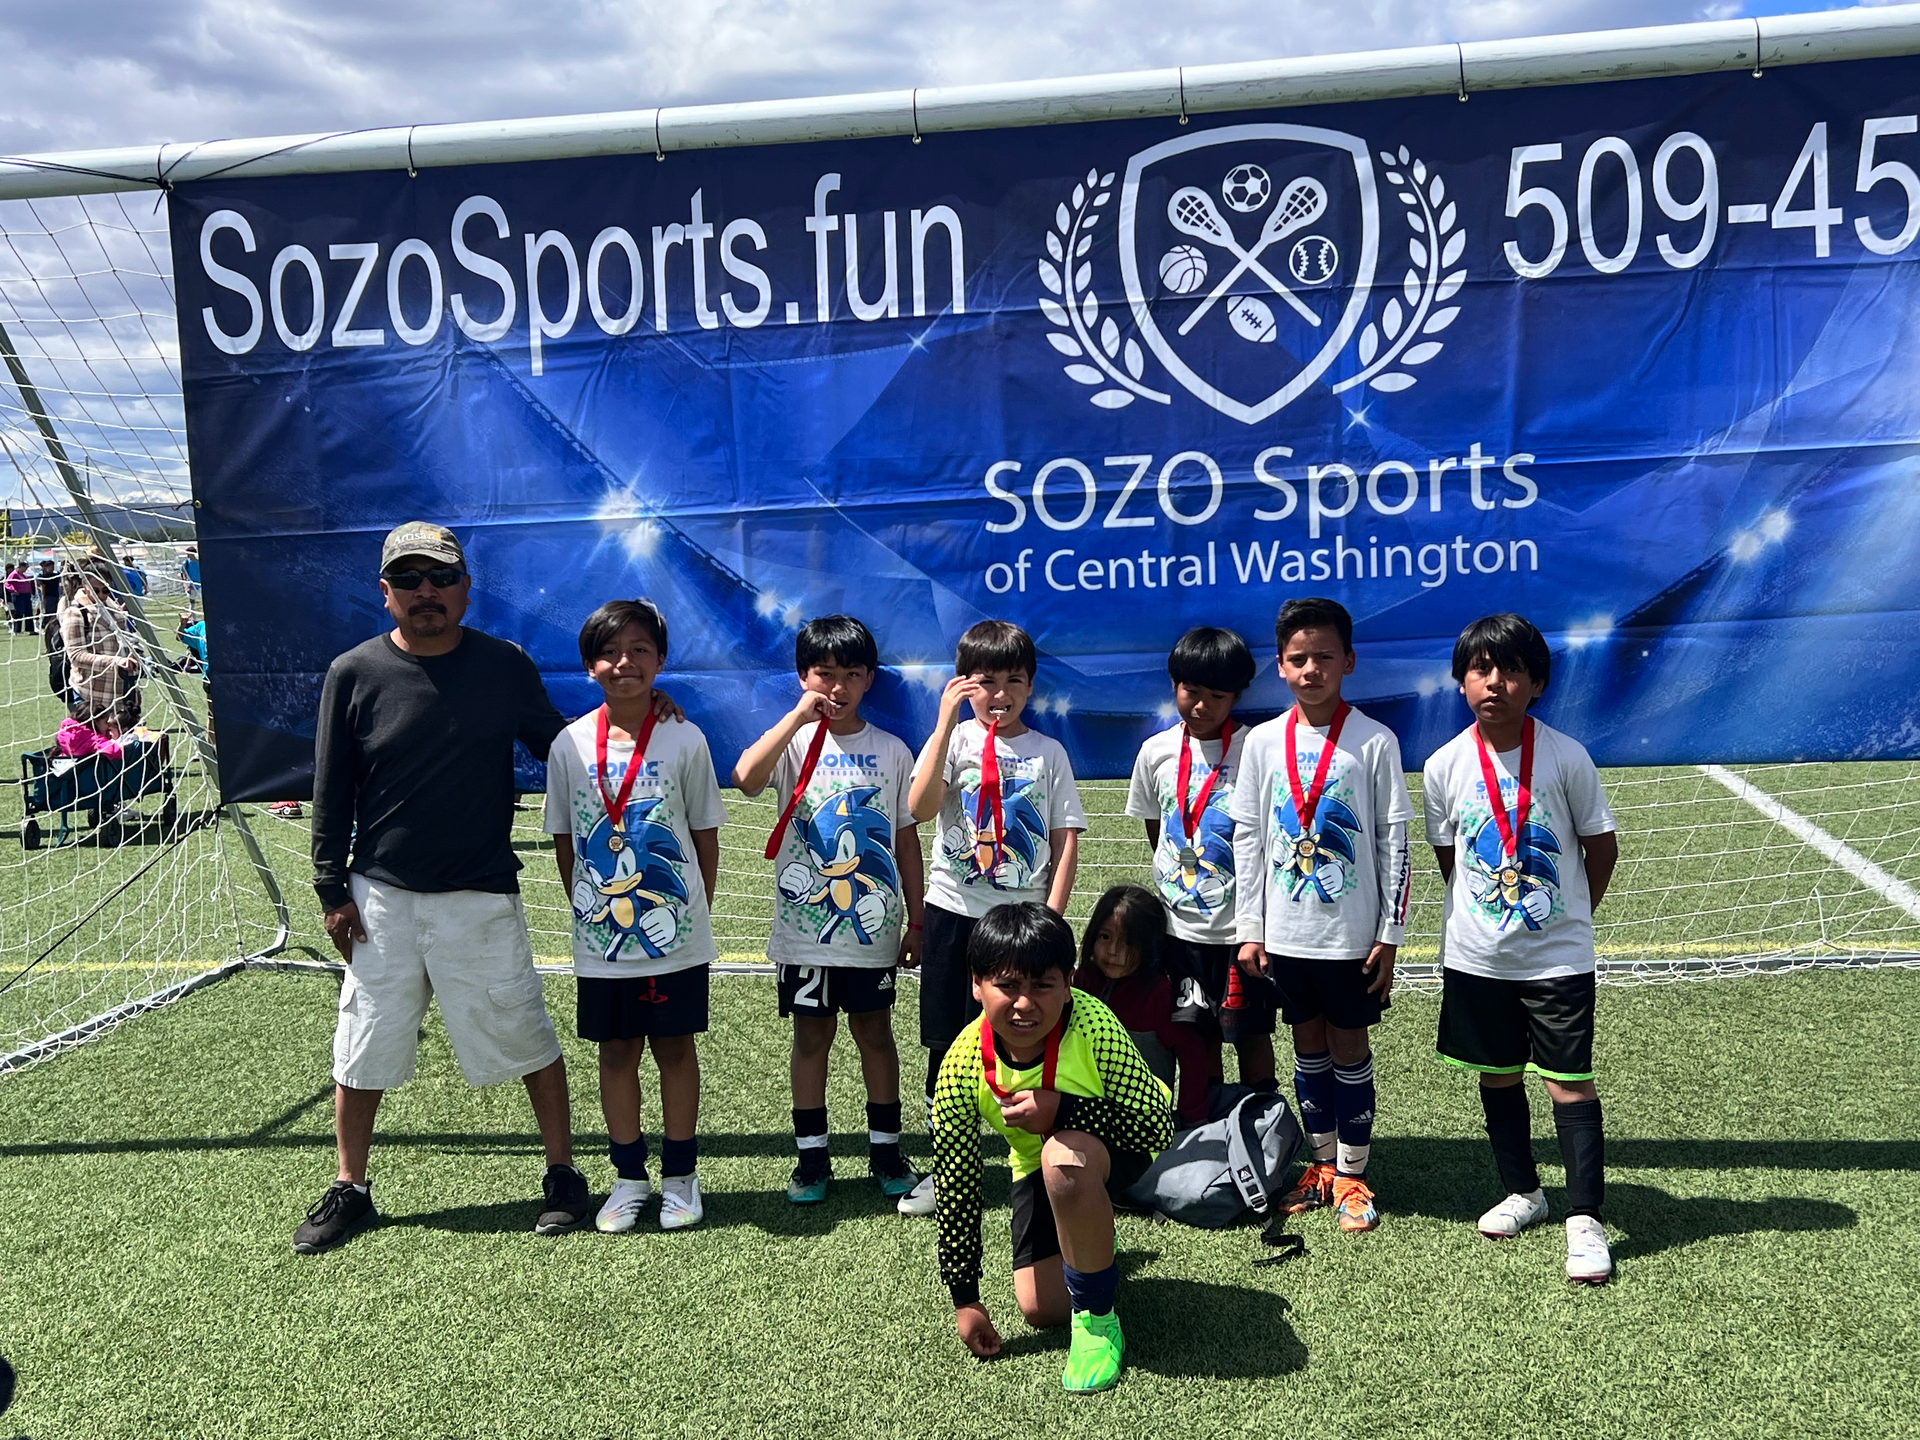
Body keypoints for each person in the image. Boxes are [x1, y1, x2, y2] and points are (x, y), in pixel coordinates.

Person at [297, 522, 592, 1254]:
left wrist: (641, 723)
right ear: (385, 593)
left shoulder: (503, 665)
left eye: (439, 578)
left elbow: (562, 749)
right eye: (409, 580)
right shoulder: (353, 673)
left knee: (526, 1033)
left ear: (465, 589)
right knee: (361, 1044)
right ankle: (350, 1186)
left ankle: (562, 1174)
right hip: (382, 899)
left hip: (482, 893)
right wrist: (331, 887)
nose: (425, 593)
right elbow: (332, 788)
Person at [1422, 613, 1620, 1284]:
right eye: (1480, 669)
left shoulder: (1566, 757)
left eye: (1510, 670)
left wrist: (1569, 919)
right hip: (1478, 958)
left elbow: (1601, 847)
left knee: (1569, 1085)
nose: (1495, 682)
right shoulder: (1446, 765)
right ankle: (1523, 1192)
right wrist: (1487, 922)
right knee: (1498, 1076)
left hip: (1558, 959)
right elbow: (1451, 856)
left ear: (1536, 682)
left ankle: (1585, 1218)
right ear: (1460, 682)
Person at [932, 902, 1172, 1394]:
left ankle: (1099, 1324)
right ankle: (1092, 1236)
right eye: (1007, 985)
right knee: (1040, 1311)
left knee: (1062, 1158)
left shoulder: (1094, 1026)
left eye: (1042, 985)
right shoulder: (960, 1064)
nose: (1024, 1004)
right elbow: (956, 1183)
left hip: (1114, 1147)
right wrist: (966, 1298)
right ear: (976, 984)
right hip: (1035, 1166)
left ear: (1068, 985)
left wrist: (1062, 1111)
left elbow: (1156, 1128)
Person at [1230, 598, 1413, 1235]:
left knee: (1348, 1046)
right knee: (1306, 1046)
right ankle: (1322, 1166)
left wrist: (1389, 933)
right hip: (1285, 935)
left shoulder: (1374, 741)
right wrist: (1249, 929)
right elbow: (1248, 839)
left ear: (1349, 662)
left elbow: (1395, 841)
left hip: (1353, 936)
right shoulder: (1260, 742)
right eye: (1299, 659)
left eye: (1324, 657)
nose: (1312, 670)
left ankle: (1356, 1174)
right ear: (1279, 666)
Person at [732, 614, 927, 1208]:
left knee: (875, 1034)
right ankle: (812, 1160)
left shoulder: (891, 750)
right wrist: (797, 716)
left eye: (850, 675)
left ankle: (887, 1153)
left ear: (870, 680)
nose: (836, 688)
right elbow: (744, 778)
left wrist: (914, 919)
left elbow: (906, 838)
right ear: (802, 676)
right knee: (811, 1040)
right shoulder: (791, 742)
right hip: (805, 935)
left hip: (873, 933)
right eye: (824, 675)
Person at [545, 598, 724, 1233]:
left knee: (675, 1048)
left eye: (640, 650)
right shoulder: (568, 743)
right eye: (610, 652)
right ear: (590, 665)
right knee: (616, 1052)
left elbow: (705, 838)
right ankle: (628, 1178)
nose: (625, 663)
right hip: (602, 944)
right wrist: (593, 916)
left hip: (675, 939)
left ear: (661, 660)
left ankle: (681, 1177)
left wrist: (687, 914)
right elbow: (566, 841)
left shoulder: (685, 736)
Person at [907, 620, 1086, 1194]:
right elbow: (918, 805)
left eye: (1014, 681)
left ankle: (1030, 1158)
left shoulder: (1048, 752)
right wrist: (942, 724)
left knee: (1024, 1038)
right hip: (952, 910)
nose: (999, 695)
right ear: (963, 685)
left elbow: (1065, 844)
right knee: (945, 1043)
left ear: (1031, 688)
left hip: (1019, 923)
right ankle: (950, 1170)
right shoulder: (953, 742)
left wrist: (1052, 920)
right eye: (985, 682)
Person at [1123, 626, 1269, 1092]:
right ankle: (1207, 1126)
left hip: (1241, 930)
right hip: (1178, 929)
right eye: (1192, 691)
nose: (1202, 705)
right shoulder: (1156, 752)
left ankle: (1262, 1123)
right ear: (1173, 685)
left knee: (1251, 1034)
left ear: (1238, 695)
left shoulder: (1258, 749)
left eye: (1218, 695)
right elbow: (1155, 825)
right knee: (1195, 1034)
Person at [1070, 885, 1211, 1128]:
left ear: (1150, 946)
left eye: (1128, 942)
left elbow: (1193, 1058)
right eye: (1105, 937)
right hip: (1085, 1109)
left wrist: (1192, 1118)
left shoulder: (1161, 994)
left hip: (1142, 1120)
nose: (1113, 951)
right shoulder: (1083, 981)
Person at [59, 558, 142, 732]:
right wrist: (115, 661)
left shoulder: (113, 608)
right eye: (95, 590)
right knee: (95, 750)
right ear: (84, 584)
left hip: (122, 693)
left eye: (105, 590)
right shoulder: (75, 613)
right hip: (90, 696)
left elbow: (127, 643)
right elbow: (75, 655)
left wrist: (135, 659)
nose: (101, 595)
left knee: (123, 750)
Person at [4, 563, 33, 634]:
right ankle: (16, 629)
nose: (26, 569)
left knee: (29, 612)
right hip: (19, 596)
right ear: (20, 567)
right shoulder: (14, 574)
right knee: (19, 613)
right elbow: (7, 583)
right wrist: (13, 590)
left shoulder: (23, 575)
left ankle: (30, 629)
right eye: (25, 567)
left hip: (26, 596)